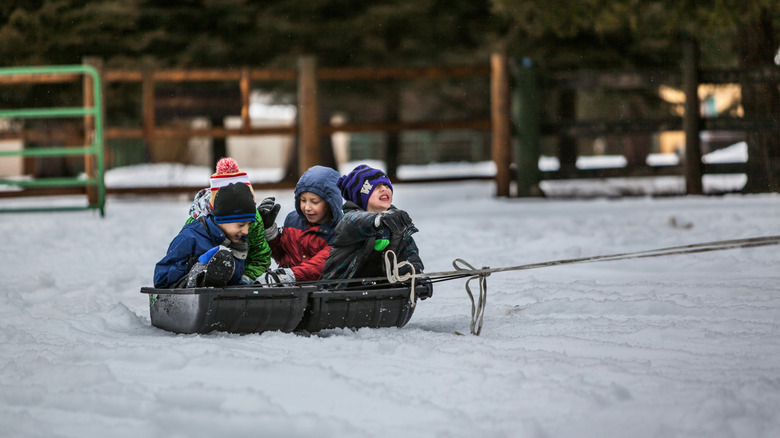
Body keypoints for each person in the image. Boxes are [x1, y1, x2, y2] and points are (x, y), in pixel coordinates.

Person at [320, 164, 431, 299]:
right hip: (336, 296)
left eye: (386, 185)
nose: (384, 188)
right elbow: (357, 221)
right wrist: (378, 220)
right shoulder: (349, 221)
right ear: (361, 197)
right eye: (376, 187)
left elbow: (408, 255)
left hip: (382, 294)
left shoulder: (395, 223)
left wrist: (416, 276)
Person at [154, 182, 257, 288]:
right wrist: (192, 264)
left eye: (249, 224)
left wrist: (246, 287)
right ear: (222, 219)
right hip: (188, 298)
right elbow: (161, 279)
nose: (246, 231)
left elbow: (232, 282)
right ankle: (200, 280)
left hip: (220, 300)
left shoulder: (238, 242)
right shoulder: (190, 237)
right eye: (241, 225)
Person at [186, 157, 272, 283]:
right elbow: (180, 261)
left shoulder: (253, 220)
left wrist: (246, 278)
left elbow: (260, 257)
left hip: (242, 280)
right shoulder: (196, 224)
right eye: (241, 224)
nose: (246, 230)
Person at [255, 165, 343, 285]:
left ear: (330, 203)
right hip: (287, 290)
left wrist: (287, 276)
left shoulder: (339, 231)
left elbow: (320, 266)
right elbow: (282, 254)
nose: (307, 207)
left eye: (314, 202)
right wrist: (269, 231)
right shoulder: (293, 221)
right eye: (303, 200)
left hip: (318, 293)